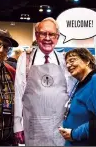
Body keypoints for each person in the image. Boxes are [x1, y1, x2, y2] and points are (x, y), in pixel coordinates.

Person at [14, 17, 76, 146]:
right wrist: (17, 125)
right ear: (37, 36)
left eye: (52, 34)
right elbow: (18, 93)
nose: (47, 38)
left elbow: (70, 93)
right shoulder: (26, 59)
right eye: (43, 33)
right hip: (33, 126)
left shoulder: (64, 60)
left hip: (59, 126)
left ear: (57, 37)